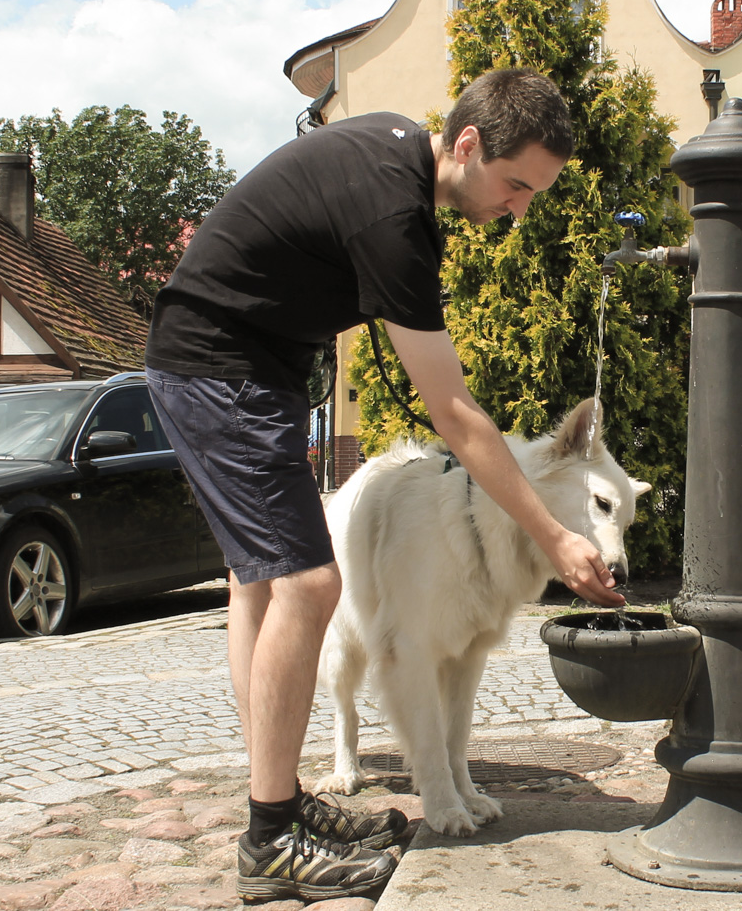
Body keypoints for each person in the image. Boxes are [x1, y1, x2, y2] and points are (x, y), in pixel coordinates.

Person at [145, 68, 626, 903]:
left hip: (249, 368)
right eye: (515, 186)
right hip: (218, 368)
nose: (518, 210)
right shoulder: (394, 210)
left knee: (258, 581)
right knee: (307, 583)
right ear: (468, 144)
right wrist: (555, 538)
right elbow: (455, 413)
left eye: (533, 195)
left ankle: (282, 805)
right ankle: (271, 843)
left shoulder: (393, 165)